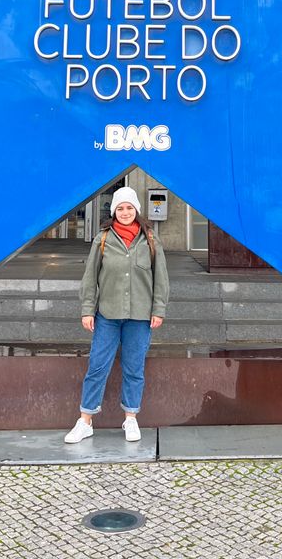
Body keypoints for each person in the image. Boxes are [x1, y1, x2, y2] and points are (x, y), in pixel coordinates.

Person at [64, 184, 169, 444]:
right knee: (97, 366)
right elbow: (89, 279)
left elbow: (161, 279)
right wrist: (87, 310)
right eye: (120, 208)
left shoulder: (151, 241)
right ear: (113, 211)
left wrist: (158, 310)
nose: (125, 212)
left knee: (134, 368)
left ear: (137, 210)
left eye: (129, 207)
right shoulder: (102, 240)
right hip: (107, 315)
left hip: (140, 316)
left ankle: (131, 419)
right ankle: (85, 421)